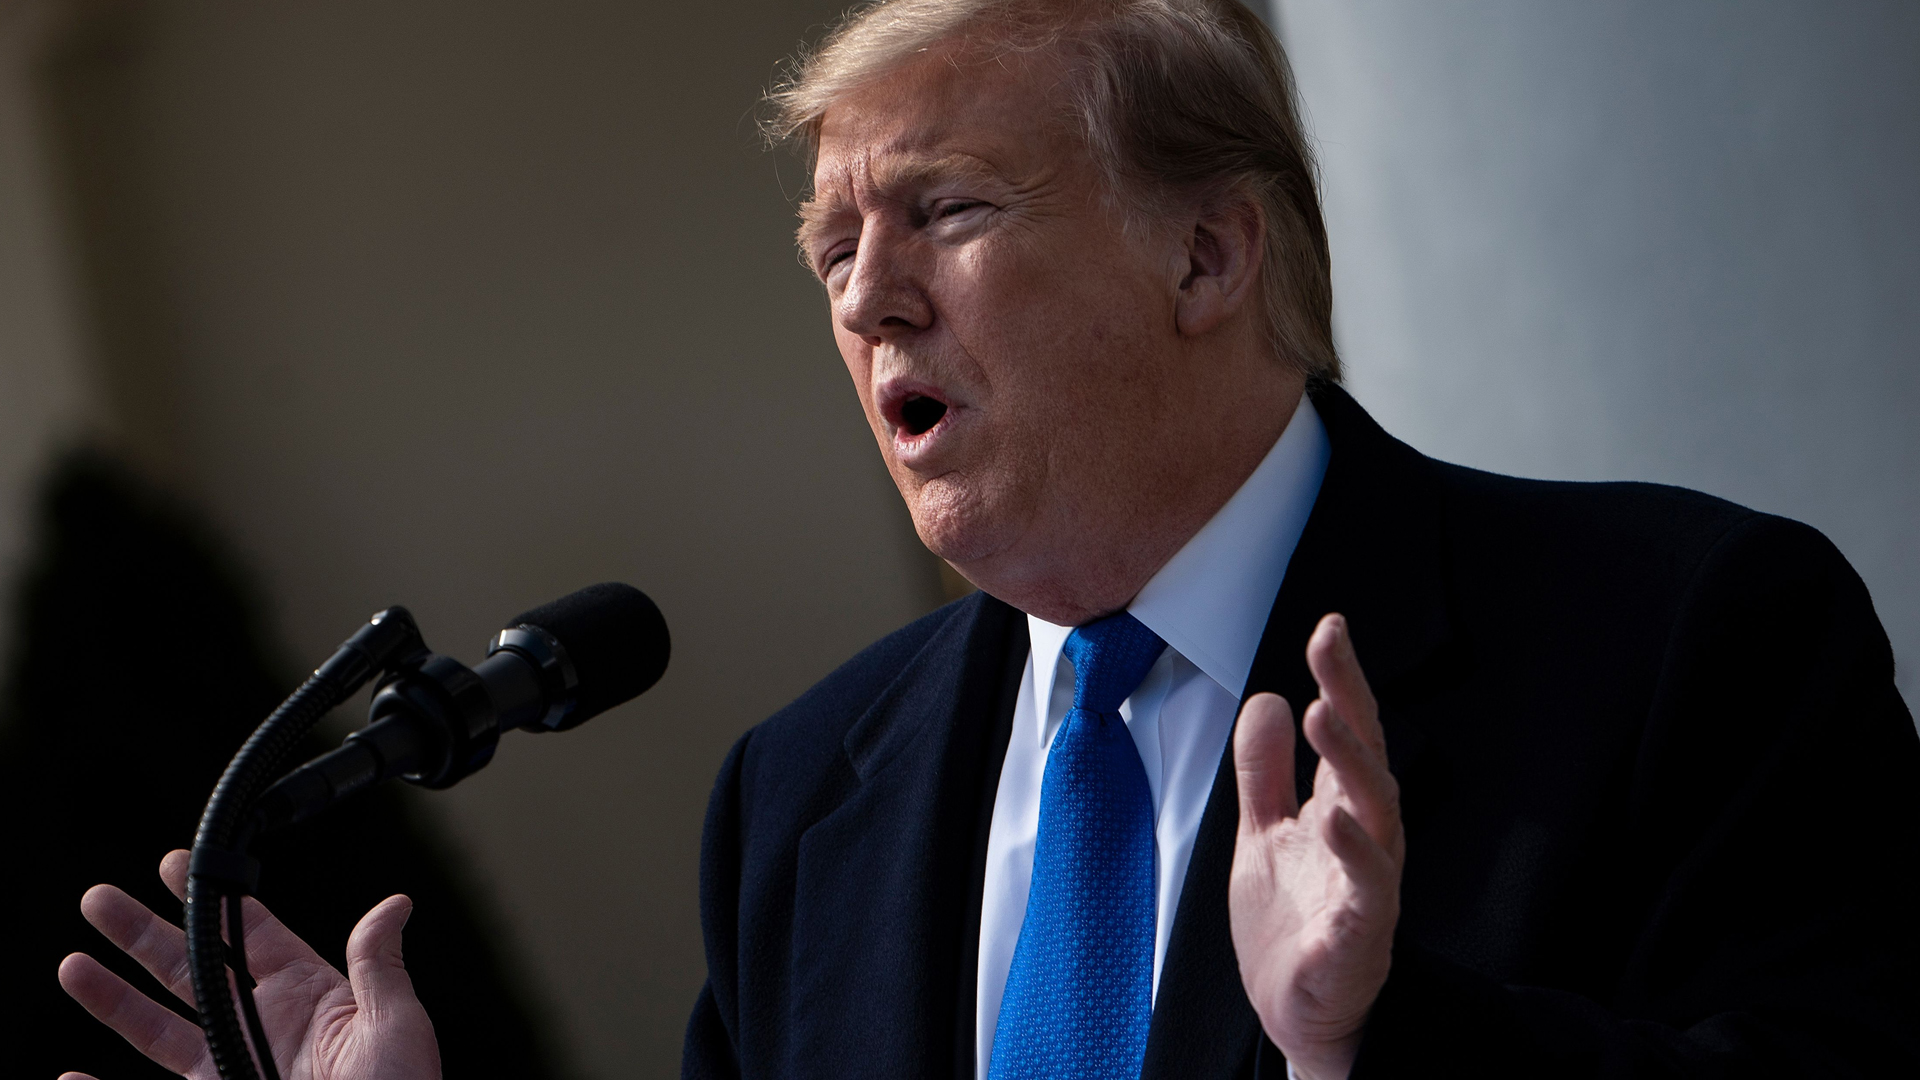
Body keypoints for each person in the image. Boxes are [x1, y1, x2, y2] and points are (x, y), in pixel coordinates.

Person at [59, 2, 1920, 1078]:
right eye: (829, 257)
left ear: (1208, 252)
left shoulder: (1684, 638)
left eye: (943, 210)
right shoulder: (799, 799)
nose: (866, 301)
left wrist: (1383, 1039)